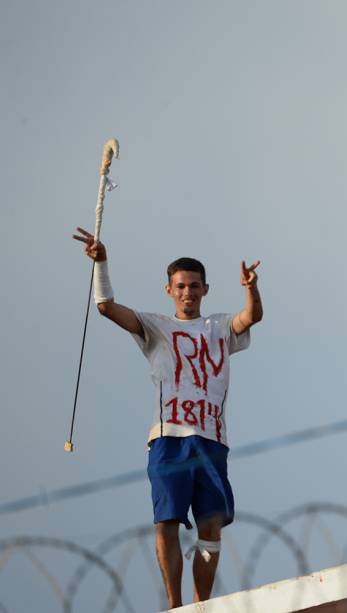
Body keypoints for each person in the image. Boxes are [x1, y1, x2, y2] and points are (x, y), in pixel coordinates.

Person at [72, 227, 263, 609]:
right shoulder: (157, 326)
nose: (188, 292)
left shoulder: (219, 327)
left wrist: (250, 287)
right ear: (169, 290)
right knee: (167, 521)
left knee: (211, 528)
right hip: (169, 438)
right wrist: (101, 264)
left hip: (211, 439)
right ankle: (175, 604)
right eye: (180, 286)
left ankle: (201, 603)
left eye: (194, 286)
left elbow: (251, 317)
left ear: (205, 289)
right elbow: (107, 307)